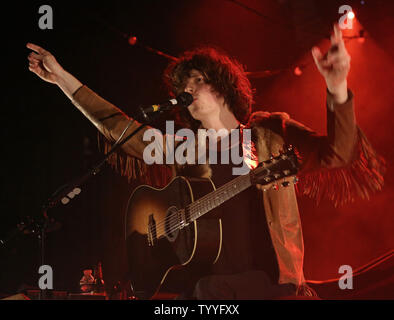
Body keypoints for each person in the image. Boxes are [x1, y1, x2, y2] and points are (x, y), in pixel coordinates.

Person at [27, 24, 384, 299]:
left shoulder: (270, 132)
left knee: (207, 292)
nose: (188, 90)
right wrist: (61, 78)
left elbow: (339, 153)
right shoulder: (187, 147)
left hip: (266, 283)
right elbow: (122, 129)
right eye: (182, 84)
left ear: (222, 85)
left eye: (197, 80)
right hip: (201, 284)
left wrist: (337, 88)